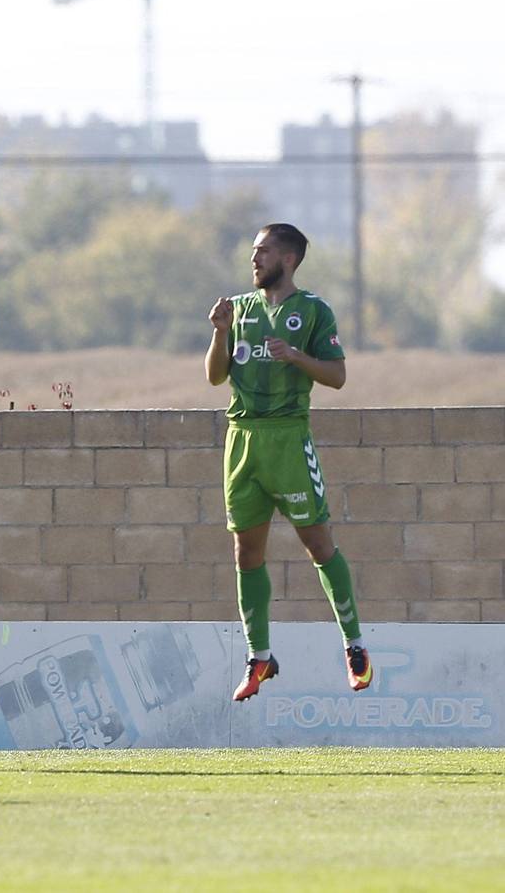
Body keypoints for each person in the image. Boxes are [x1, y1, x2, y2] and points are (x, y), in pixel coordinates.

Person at [205, 222, 372, 702]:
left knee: (318, 545)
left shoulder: (314, 311)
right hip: (242, 442)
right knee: (246, 555)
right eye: (253, 251)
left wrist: (296, 357)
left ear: (289, 259)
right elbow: (216, 377)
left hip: (287, 439)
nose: (254, 259)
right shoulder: (238, 310)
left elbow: (338, 377)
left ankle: (354, 645)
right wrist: (219, 333)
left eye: (263, 252)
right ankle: (259, 658)